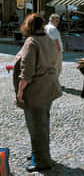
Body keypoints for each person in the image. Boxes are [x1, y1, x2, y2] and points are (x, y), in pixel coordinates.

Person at [14, 14, 62, 173]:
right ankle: (39, 153)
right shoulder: (48, 39)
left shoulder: (32, 42)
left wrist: (20, 92)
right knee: (42, 123)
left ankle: (42, 161)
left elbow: (26, 72)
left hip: (36, 90)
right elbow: (54, 60)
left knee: (36, 125)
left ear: (28, 26)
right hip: (48, 86)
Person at [44, 14, 64, 80]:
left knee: (51, 66)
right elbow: (55, 40)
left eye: (58, 21)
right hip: (55, 50)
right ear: (52, 20)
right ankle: (54, 81)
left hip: (48, 49)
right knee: (57, 67)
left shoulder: (46, 27)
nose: (58, 22)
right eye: (56, 21)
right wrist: (59, 50)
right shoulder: (53, 28)